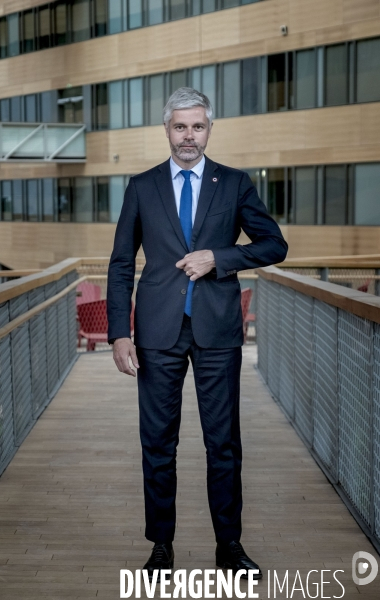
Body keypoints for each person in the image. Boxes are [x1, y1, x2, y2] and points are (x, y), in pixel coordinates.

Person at [107, 87, 288, 581]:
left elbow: (275, 244)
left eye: (198, 126)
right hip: (157, 332)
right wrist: (118, 333)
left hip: (217, 330)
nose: (189, 136)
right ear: (167, 130)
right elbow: (122, 263)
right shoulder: (142, 186)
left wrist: (220, 258)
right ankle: (161, 547)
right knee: (158, 444)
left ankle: (229, 546)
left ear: (210, 129)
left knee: (223, 443)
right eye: (180, 127)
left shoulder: (233, 184)